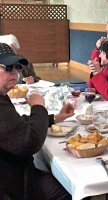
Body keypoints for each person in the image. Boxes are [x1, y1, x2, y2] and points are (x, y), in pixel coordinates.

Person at [0, 43, 73, 199]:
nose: (14, 72)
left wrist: (54, 118)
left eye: (17, 67)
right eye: (7, 67)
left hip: (12, 170)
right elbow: (29, 142)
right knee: (70, 190)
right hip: (12, 182)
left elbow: (15, 125)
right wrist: (38, 107)